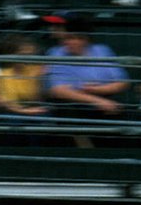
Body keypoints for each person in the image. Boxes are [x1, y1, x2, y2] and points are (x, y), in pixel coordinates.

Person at [45, 14, 130, 144]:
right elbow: (58, 90)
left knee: (120, 108)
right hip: (74, 104)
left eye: (72, 38)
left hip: (104, 97)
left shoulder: (102, 51)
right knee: (68, 112)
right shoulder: (56, 53)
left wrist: (98, 90)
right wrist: (97, 100)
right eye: (66, 38)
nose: (66, 42)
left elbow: (122, 82)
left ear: (84, 39)